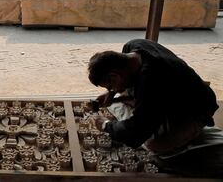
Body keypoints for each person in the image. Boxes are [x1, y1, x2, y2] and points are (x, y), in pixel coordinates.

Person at [87, 38, 223, 177]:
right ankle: (146, 111)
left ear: (115, 76)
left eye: (110, 85)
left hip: (196, 110)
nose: (111, 89)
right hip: (173, 91)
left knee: (153, 144)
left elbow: (137, 133)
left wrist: (105, 124)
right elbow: (127, 80)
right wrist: (112, 92)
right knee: (123, 99)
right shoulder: (133, 46)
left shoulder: (151, 81)